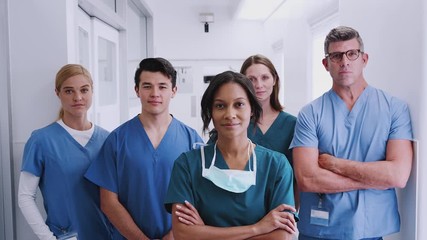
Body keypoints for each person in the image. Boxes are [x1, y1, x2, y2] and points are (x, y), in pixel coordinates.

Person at [290, 26, 413, 240]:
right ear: (326, 64)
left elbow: (397, 175)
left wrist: (336, 164)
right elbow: (308, 179)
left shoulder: (394, 108)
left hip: (370, 230)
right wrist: (375, 179)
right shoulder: (310, 113)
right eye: (336, 56)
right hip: (319, 232)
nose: (344, 62)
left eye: (351, 54)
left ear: (364, 59)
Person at [165, 71, 298, 240]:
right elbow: (183, 234)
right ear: (210, 112)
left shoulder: (277, 165)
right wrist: (258, 229)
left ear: (251, 109)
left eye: (239, 104)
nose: (230, 114)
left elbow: (282, 236)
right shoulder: (187, 165)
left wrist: (204, 232)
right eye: (220, 106)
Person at [85, 57, 203, 240]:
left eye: (162, 87)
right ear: (137, 90)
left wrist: (172, 236)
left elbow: (199, 198)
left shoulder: (192, 140)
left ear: (174, 91)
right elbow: (108, 202)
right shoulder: (117, 140)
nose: (155, 93)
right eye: (147, 86)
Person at [18, 64, 112, 240]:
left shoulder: (108, 140)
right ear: (57, 93)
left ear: (92, 91)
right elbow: (25, 196)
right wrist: (48, 238)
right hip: (64, 235)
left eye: (84, 90)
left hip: (105, 234)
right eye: (69, 91)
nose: (78, 97)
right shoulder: (41, 140)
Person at [240, 54, 296, 165]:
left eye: (265, 78)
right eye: (251, 79)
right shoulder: (236, 123)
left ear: (274, 80)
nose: (259, 85)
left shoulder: (293, 124)